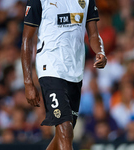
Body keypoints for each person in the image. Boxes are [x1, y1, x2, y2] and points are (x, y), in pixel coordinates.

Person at [21, 0, 107, 149]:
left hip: (75, 72)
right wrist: (28, 82)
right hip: (50, 69)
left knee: (64, 134)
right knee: (65, 130)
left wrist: (100, 52)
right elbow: (27, 39)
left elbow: (93, 34)